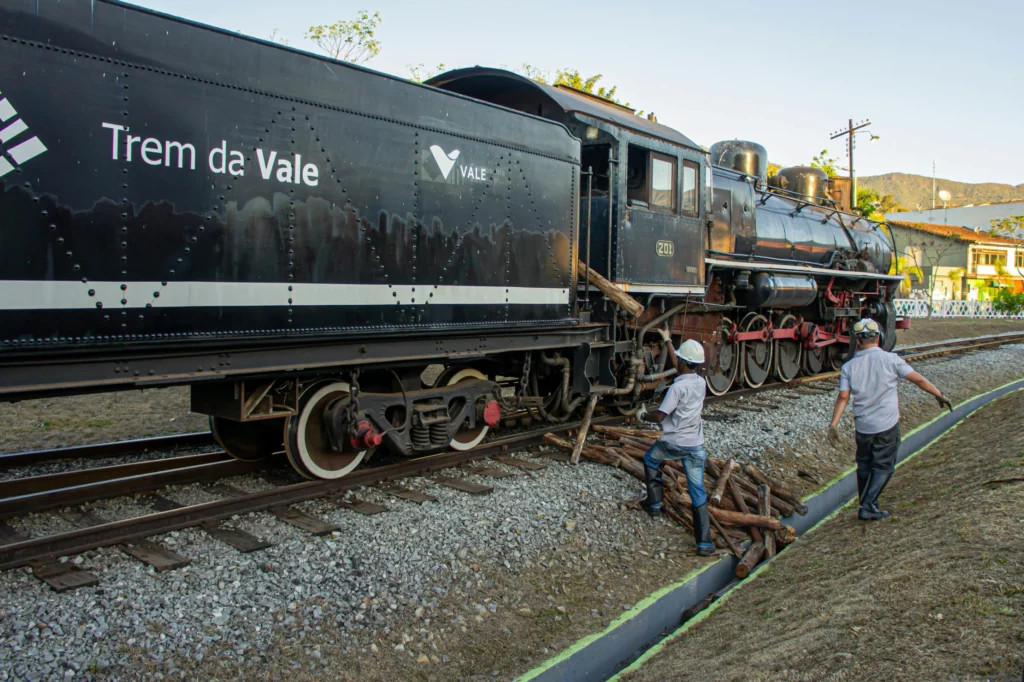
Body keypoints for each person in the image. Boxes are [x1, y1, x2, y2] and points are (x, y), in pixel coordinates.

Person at [827, 318, 952, 520]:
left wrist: (834, 424)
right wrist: (938, 394)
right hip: (886, 424)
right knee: (884, 465)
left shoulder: (849, 367)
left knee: (865, 464)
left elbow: (843, 397)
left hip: (863, 425)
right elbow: (918, 380)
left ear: (857, 341)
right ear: (878, 338)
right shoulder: (891, 360)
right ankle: (867, 505)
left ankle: (868, 502)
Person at [636, 331, 714, 556]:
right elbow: (681, 365)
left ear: (682, 362)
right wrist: (668, 340)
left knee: (651, 459)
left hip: (673, 443)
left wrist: (642, 416)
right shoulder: (701, 384)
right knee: (697, 490)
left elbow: (660, 416)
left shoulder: (676, 389)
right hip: (695, 446)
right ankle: (704, 543)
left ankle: (654, 505)